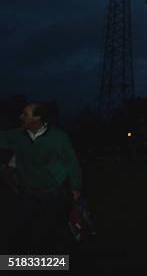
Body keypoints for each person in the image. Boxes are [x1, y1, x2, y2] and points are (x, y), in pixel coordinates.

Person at [0, 102, 82, 253]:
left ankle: (53, 261)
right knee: (23, 228)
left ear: (37, 117)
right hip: (28, 191)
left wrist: (76, 187)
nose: (21, 116)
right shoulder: (17, 135)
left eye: (25, 114)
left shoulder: (59, 137)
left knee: (52, 230)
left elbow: (72, 162)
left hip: (53, 191)